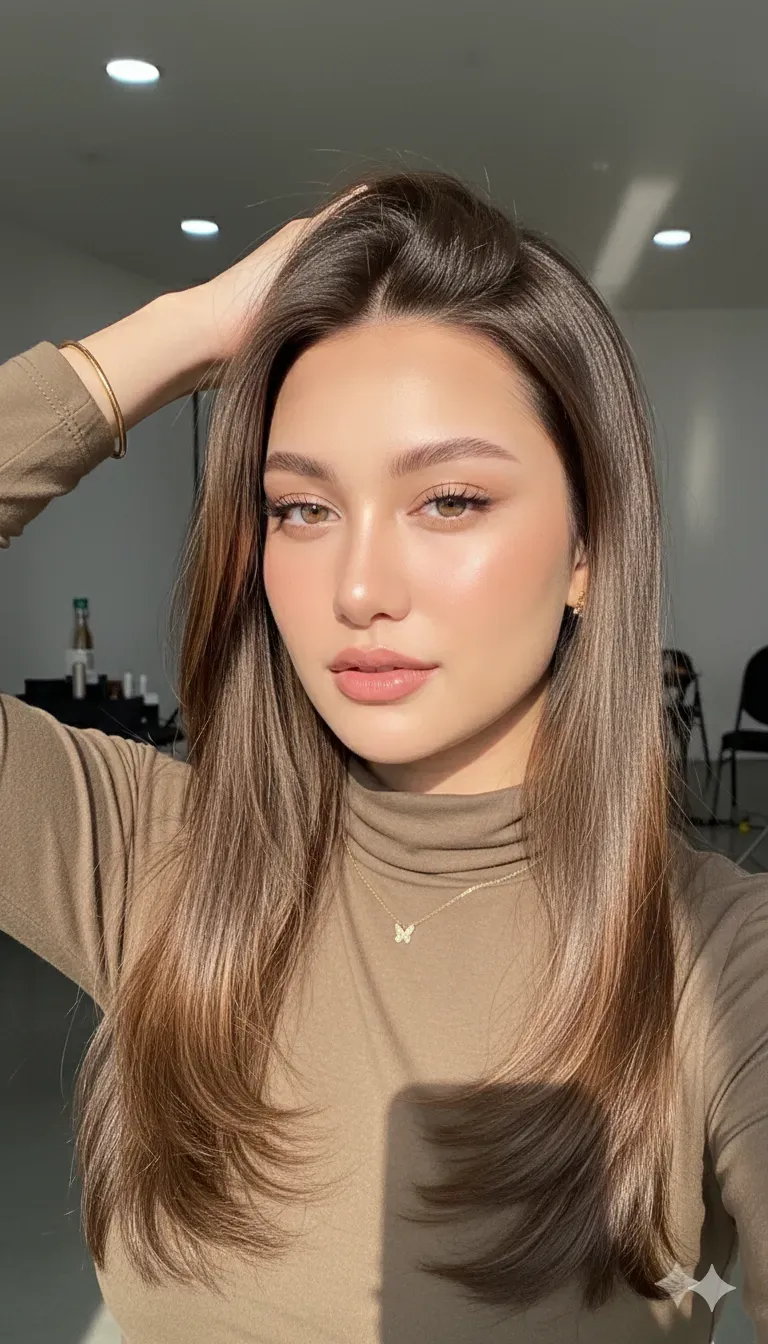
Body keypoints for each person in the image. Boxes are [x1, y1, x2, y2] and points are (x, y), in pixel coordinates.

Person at [0, 170, 766, 1344]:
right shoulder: (154, 856)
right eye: (302, 509)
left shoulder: (719, 967)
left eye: (449, 500)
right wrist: (180, 337)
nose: (358, 589)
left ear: (589, 550)